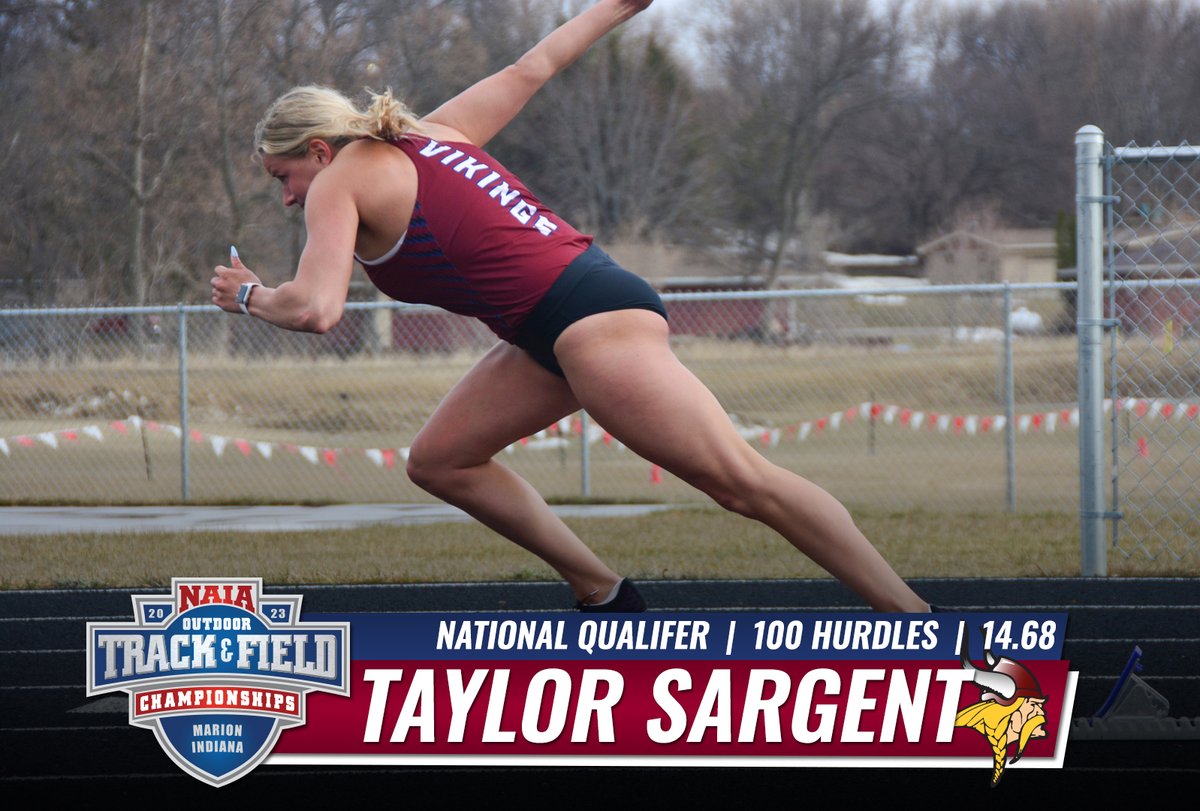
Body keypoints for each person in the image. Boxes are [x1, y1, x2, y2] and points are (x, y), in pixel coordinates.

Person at [211, 0, 932, 613]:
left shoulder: (342, 180)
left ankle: (921, 621)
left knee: (743, 483)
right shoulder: (426, 133)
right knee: (441, 460)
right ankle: (602, 591)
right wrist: (618, 6)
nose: (288, 196)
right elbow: (534, 67)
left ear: (317, 149)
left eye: (285, 176)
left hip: (589, 324)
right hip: (556, 323)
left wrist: (248, 296)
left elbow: (316, 310)